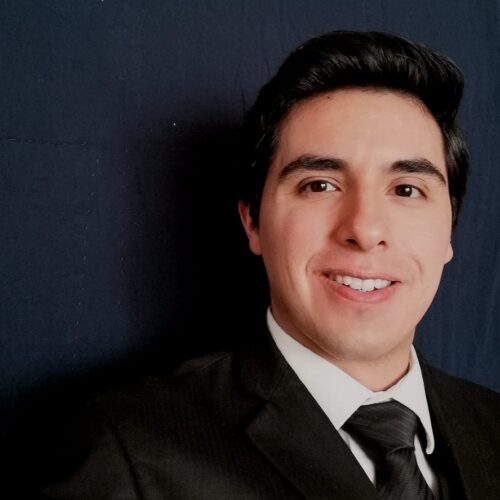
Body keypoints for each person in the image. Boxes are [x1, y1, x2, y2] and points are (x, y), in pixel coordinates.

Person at [43, 31, 500, 499]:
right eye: (320, 185)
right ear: (253, 222)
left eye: (406, 190)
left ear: (450, 229)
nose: (365, 230)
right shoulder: (129, 451)